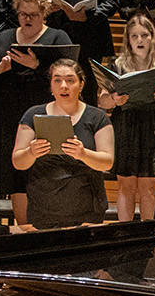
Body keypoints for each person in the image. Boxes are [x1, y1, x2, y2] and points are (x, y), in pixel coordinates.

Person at [0, 0, 71, 226]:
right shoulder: (4, 37)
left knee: (45, 174)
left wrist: (36, 66)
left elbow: (69, 75)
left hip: (45, 119)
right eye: (23, 14)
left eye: (33, 15)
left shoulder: (57, 37)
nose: (27, 20)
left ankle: (47, 233)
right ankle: (24, 230)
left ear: (44, 14)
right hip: (9, 120)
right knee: (16, 179)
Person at [14, 58, 115, 230]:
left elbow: (107, 161)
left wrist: (83, 154)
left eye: (70, 80)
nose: (63, 86)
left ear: (81, 85)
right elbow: (18, 162)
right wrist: (31, 152)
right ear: (51, 86)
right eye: (57, 80)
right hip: (43, 206)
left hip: (86, 207)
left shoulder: (97, 117)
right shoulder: (33, 114)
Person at [99, 10, 155, 224]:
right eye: (134, 36)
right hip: (125, 122)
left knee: (149, 186)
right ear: (128, 40)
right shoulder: (117, 65)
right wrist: (114, 100)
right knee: (125, 185)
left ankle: (147, 235)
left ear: (152, 37)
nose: (139, 40)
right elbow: (102, 101)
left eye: (144, 35)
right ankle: (125, 233)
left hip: (153, 124)